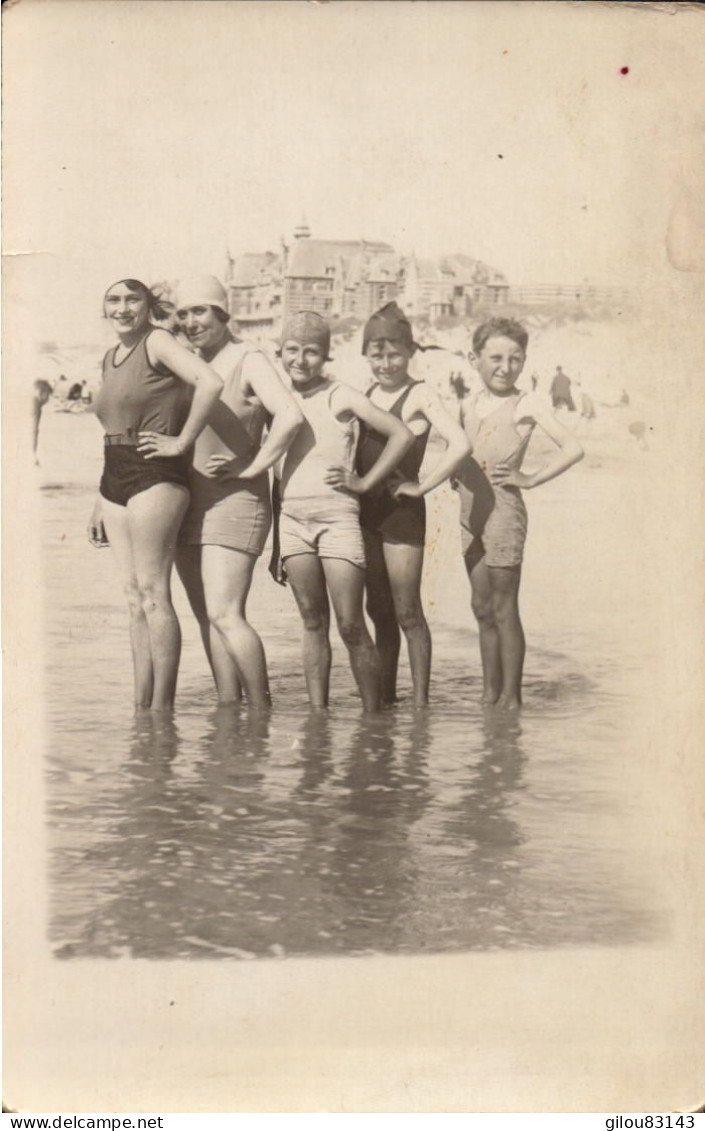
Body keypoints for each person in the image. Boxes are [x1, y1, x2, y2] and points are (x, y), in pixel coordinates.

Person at [87, 278, 224, 711]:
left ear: (148, 306)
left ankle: (163, 709)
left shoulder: (158, 341)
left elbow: (210, 382)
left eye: (132, 300)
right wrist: (99, 498)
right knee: (132, 598)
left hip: (156, 472)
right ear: (103, 308)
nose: (122, 308)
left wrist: (182, 442)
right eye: (114, 300)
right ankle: (140, 708)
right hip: (114, 476)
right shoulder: (109, 358)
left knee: (153, 593)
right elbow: (112, 428)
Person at [173, 275, 303, 708]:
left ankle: (261, 713)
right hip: (188, 501)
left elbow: (290, 417)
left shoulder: (249, 359)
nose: (191, 321)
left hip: (236, 502)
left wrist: (253, 466)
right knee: (207, 618)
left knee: (226, 614)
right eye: (183, 313)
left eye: (200, 311)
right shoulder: (188, 362)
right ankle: (230, 716)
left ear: (222, 313)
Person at [276, 311, 413, 713]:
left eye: (312, 352)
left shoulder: (342, 395)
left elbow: (401, 435)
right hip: (292, 522)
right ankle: (318, 717)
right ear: (281, 351)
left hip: (337, 520)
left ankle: (374, 721)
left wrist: (364, 483)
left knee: (351, 624)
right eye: (293, 350)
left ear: (326, 355)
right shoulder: (277, 396)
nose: (301, 360)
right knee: (311, 622)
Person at [456, 318, 583, 709]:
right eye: (495, 357)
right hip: (469, 514)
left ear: (524, 362)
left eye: (515, 359)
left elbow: (573, 448)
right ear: (474, 359)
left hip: (505, 514)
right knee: (480, 607)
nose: (505, 367)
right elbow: (465, 451)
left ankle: (511, 699)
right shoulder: (466, 404)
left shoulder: (525, 402)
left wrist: (529, 478)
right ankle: (488, 694)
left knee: (503, 607)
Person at [357, 302, 470, 706]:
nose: (386, 363)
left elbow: (460, 444)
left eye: (394, 354)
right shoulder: (366, 394)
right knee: (378, 611)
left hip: (401, 514)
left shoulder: (419, 393)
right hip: (366, 514)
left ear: (410, 353)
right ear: (366, 355)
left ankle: (421, 705)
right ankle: (385, 701)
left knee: (407, 612)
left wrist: (422, 489)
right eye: (377, 354)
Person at [32, 379, 52, 464]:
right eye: (47, 395)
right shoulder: (34, 405)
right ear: (40, 393)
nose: (48, 398)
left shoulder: (37, 404)